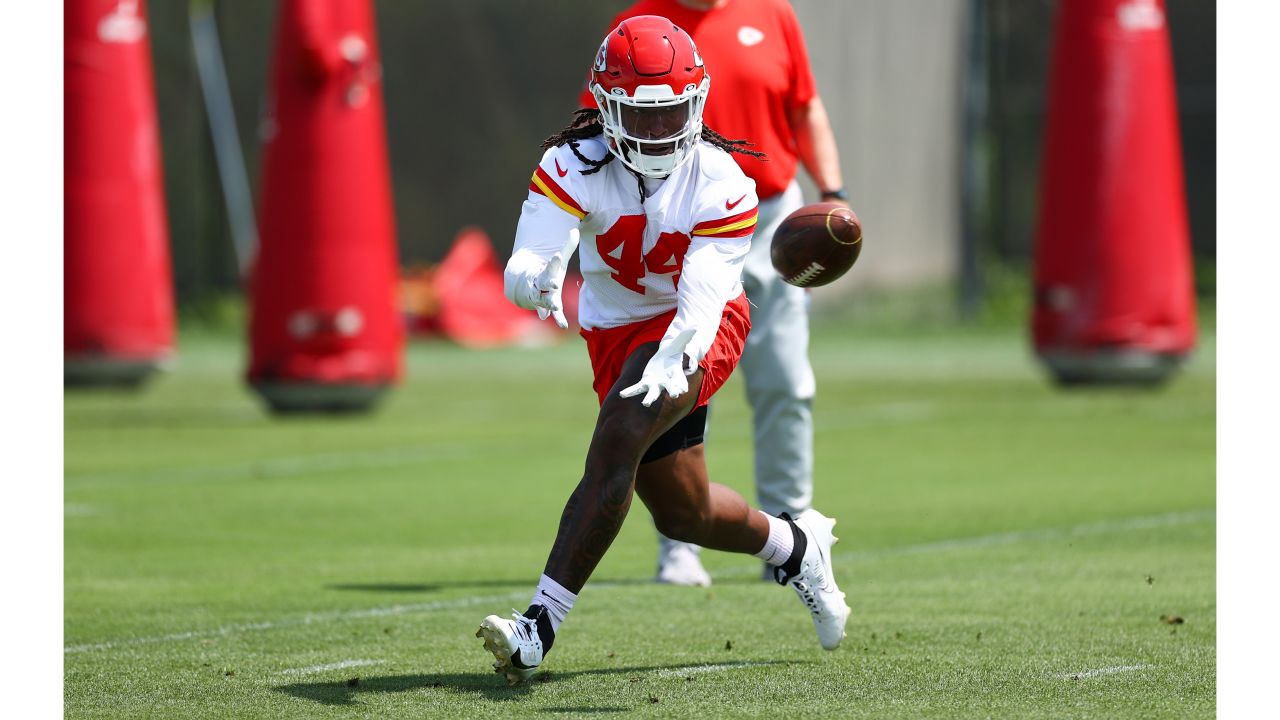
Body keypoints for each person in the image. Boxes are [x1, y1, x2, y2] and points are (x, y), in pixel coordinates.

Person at [477, 16, 850, 685]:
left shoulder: (723, 181)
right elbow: (530, 254)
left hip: (705, 326)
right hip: (616, 334)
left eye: (672, 114)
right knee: (688, 511)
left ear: (697, 103)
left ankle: (537, 626)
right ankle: (796, 545)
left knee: (618, 436)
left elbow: (703, 297)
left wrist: (680, 348)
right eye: (641, 118)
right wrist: (533, 277)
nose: (658, 132)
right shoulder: (571, 163)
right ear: (606, 107)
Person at [580, 0, 849, 587]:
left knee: (784, 381)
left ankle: (791, 532)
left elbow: (806, 106)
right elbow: (594, 133)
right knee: (667, 385)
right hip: (675, 228)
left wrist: (833, 189)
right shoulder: (641, 21)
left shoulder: (773, 13)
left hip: (772, 221)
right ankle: (678, 547)